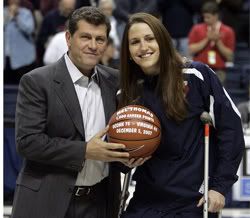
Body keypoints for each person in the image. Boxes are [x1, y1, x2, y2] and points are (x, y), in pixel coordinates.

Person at [12, 6, 146, 218]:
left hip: (100, 203)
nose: (93, 46)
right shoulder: (37, 81)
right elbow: (28, 142)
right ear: (68, 38)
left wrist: (128, 157)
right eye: (85, 37)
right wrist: (84, 151)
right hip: (48, 202)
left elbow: (118, 138)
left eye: (100, 39)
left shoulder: (115, 81)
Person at [119, 12, 245, 218]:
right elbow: (116, 151)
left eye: (150, 39)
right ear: (128, 51)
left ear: (163, 40)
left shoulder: (197, 76)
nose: (143, 47)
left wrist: (219, 186)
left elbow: (231, 128)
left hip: (193, 202)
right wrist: (123, 160)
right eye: (135, 42)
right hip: (145, 202)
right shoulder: (127, 92)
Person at [188, 1, 235, 84]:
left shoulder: (228, 31)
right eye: (204, 17)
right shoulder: (196, 29)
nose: (205, 20)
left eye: (208, 17)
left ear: (216, 15)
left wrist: (218, 42)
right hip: (199, 70)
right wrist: (207, 39)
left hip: (219, 71)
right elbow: (191, 50)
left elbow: (230, 56)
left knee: (218, 96)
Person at [4, 0, 36, 84]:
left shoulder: (26, 13)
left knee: (23, 87)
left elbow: (29, 30)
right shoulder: (2, 12)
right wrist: (9, 17)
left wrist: (17, 18)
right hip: (6, 56)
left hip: (23, 58)